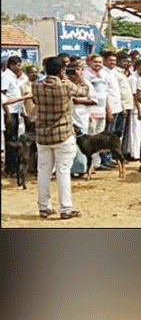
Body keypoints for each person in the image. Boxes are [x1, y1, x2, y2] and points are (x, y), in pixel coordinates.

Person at [32, 56, 89, 219]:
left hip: (42, 135)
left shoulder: (36, 86)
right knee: (63, 171)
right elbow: (84, 91)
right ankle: (65, 209)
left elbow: (36, 101)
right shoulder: (66, 86)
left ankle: (44, 207)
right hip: (63, 134)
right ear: (61, 70)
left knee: (43, 171)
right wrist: (79, 77)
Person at [2, 56, 25, 176]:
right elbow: (2, 96)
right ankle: (10, 169)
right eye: (18, 65)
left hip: (16, 111)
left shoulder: (13, 77)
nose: (19, 67)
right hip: (9, 112)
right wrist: (8, 114)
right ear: (11, 65)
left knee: (14, 140)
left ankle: (13, 167)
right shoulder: (6, 76)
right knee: (10, 141)